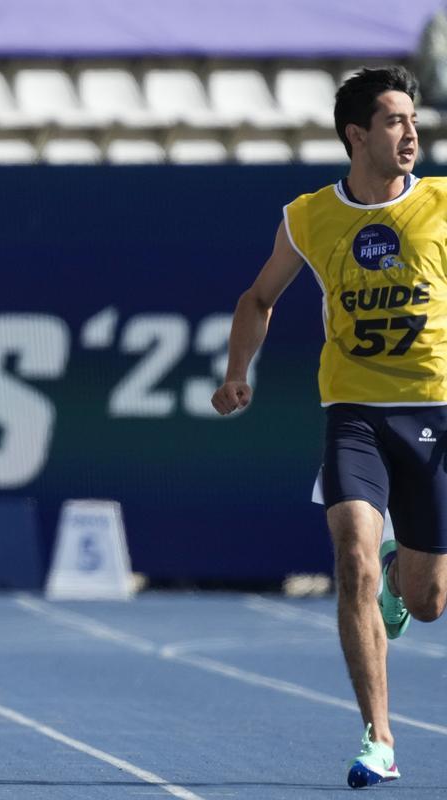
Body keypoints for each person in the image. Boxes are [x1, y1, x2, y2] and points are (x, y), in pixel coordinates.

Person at [211, 66, 447, 788]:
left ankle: (401, 585)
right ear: (357, 135)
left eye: (413, 120)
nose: (411, 133)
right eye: (395, 121)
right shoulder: (310, 216)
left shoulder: (441, 203)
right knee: (350, 556)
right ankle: (379, 737)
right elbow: (258, 298)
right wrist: (236, 373)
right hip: (353, 415)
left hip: (433, 414)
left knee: (429, 600)